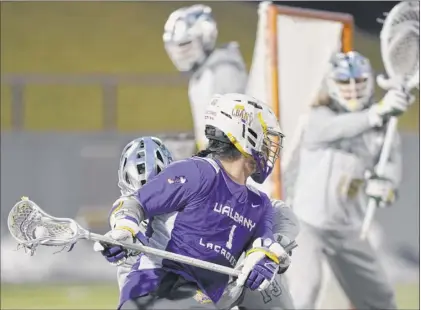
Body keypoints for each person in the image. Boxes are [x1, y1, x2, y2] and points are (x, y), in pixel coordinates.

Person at [94, 93, 288, 309]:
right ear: (245, 134)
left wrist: (265, 260)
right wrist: (124, 227)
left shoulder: (259, 204)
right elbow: (134, 203)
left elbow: (264, 244)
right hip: (157, 286)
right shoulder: (199, 172)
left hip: (200, 297)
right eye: (266, 138)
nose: (270, 148)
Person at [286, 51, 413, 309]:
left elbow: (389, 166)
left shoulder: (383, 129)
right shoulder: (318, 117)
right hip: (307, 224)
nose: (353, 89)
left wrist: (385, 186)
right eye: (345, 82)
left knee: (380, 299)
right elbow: (334, 129)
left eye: (359, 82)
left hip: (349, 228)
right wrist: (377, 113)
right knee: (304, 291)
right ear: (332, 84)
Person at [163, 4, 247, 151]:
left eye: (185, 44)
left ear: (206, 37)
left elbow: (236, 132)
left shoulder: (223, 71)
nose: (179, 52)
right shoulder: (203, 74)